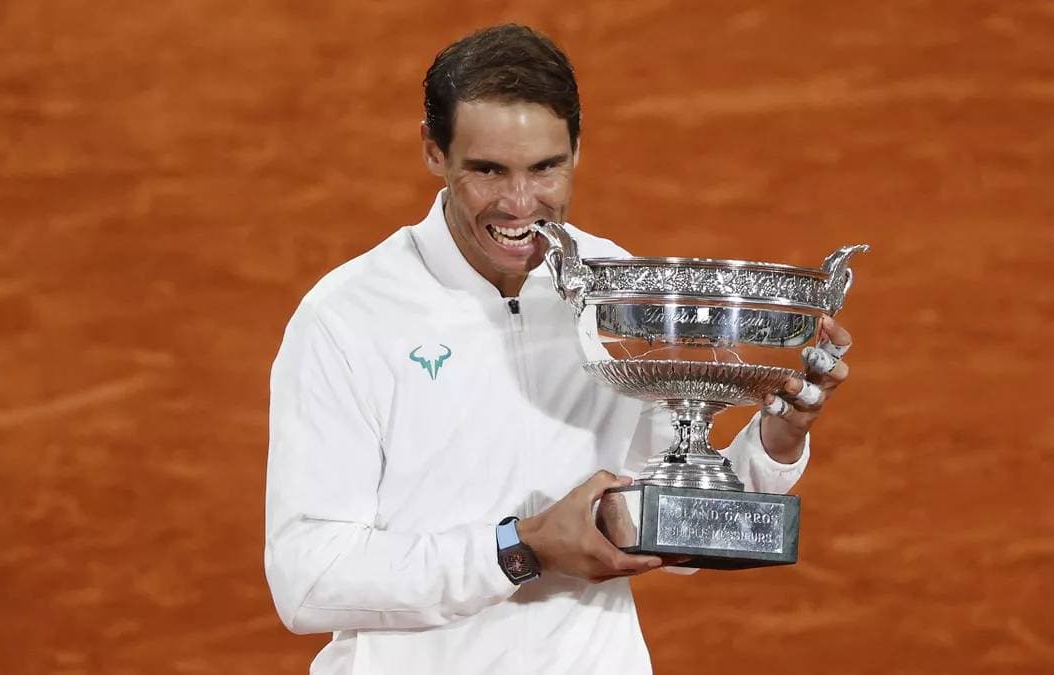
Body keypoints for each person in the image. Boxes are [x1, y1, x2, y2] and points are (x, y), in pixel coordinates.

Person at [265, 23, 855, 675]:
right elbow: (309, 578)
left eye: (545, 167)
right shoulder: (348, 318)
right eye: (487, 170)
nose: (520, 204)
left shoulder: (617, 287)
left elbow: (669, 526)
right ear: (434, 151)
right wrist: (519, 549)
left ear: (577, 148)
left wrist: (775, 439)